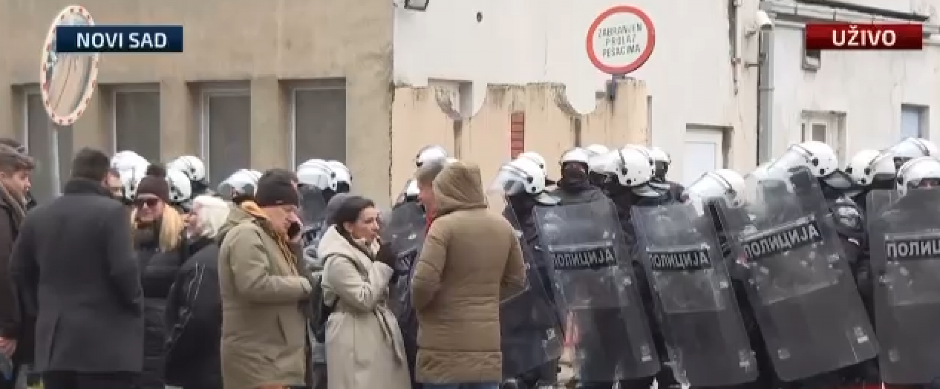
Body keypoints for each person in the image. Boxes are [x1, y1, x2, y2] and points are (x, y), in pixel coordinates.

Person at [10, 147, 143, 389]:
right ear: (105, 178)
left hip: (54, 346)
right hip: (106, 348)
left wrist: (40, 308)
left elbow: (18, 269)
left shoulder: (37, 215)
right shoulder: (112, 213)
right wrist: (135, 303)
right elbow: (124, 271)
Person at [411, 161, 527, 389]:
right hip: (486, 350)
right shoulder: (503, 226)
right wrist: (487, 298)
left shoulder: (443, 227)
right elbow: (517, 280)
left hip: (443, 348)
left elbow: (423, 284)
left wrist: (423, 305)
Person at [218, 170, 312, 389]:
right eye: (287, 210)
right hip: (260, 364)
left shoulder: (274, 237)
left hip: (278, 361)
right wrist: (303, 286)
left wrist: (295, 248)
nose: (293, 218)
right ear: (268, 206)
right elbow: (254, 284)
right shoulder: (246, 234)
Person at [317, 195, 411, 389]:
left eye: (377, 220)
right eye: (368, 221)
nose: (376, 227)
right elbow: (363, 299)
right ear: (349, 226)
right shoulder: (337, 259)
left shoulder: (369, 246)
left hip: (377, 331)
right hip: (353, 333)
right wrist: (382, 266)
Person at [130, 164, 187, 389]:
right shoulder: (129, 239)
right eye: (139, 202)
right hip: (133, 331)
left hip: (164, 331)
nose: (145, 207)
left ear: (165, 203)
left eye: (152, 202)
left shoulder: (179, 241)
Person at [164, 195, 230, 389]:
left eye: (193, 213)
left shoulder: (203, 263)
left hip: (201, 368)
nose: (186, 218)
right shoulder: (215, 255)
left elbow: (197, 315)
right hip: (214, 364)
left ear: (208, 219)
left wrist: (172, 350)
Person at [0, 145, 33, 389]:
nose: (27, 185)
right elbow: (6, 270)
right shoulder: (3, 213)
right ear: (2, 176)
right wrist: (10, 327)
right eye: (22, 177)